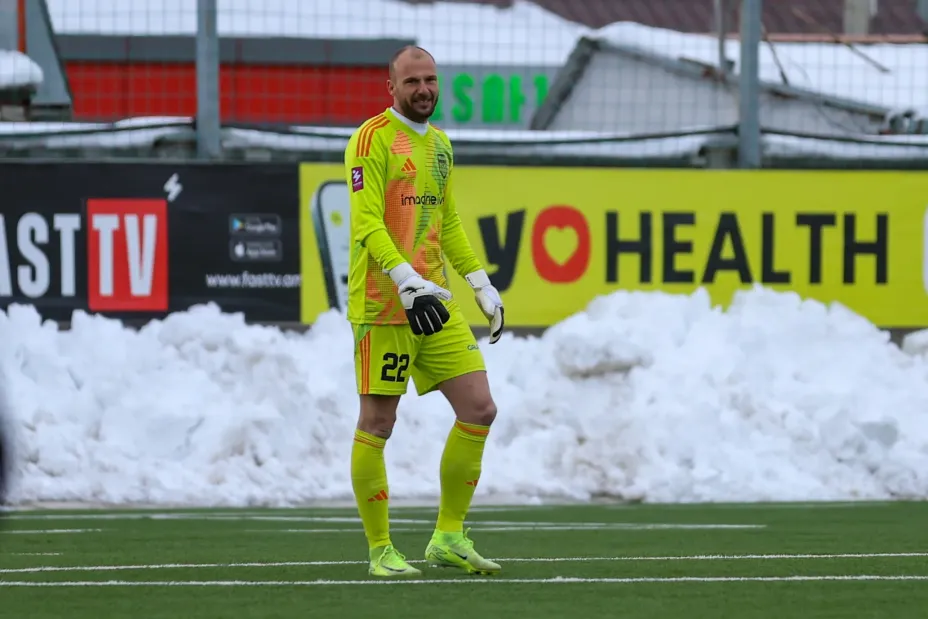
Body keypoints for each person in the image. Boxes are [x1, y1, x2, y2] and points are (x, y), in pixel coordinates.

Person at [342, 45, 505, 578]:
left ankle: (448, 537)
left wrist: (479, 282)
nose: (423, 90)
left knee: (479, 408)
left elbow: (447, 222)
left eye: (430, 79)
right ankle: (380, 551)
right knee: (378, 421)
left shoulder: (440, 145)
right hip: (384, 303)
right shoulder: (371, 139)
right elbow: (366, 223)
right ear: (391, 87)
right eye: (412, 81)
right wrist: (404, 278)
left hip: (435, 302)